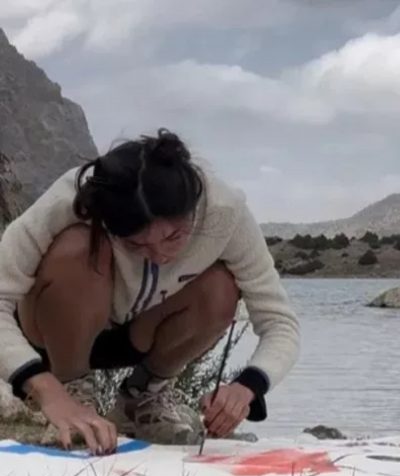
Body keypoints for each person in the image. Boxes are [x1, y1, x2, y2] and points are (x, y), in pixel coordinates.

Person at [0, 128, 300, 454]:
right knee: (77, 247)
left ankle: (141, 400)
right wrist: (47, 391)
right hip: (53, 330)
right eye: (135, 245)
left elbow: (280, 323)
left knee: (221, 287)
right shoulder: (73, 197)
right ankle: (73, 393)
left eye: (174, 237)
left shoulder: (225, 212)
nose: (160, 256)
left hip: (141, 334)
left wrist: (247, 387)